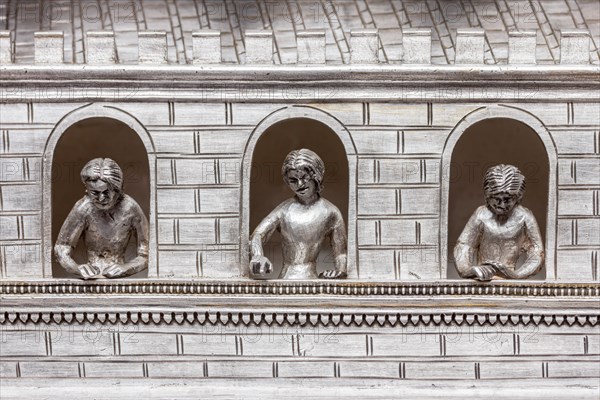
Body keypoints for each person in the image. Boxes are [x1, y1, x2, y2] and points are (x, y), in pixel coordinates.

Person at [250, 149, 347, 279]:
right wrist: (257, 256)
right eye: (293, 180)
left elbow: (341, 253)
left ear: (316, 176)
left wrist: (340, 272)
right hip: (285, 280)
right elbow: (258, 234)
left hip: (312, 281)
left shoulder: (330, 212)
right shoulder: (284, 210)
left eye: (304, 177)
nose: (299, 184)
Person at [55, 158, 149, 279]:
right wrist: (76, 268)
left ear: (118, 189)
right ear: (86, 190)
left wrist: (127, 268)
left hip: (119, 277)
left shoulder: (130, 208)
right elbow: (62, 246)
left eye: (106, 192)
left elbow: (146, 253)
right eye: (94, 192)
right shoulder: (84, 208)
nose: (101, 198)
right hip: (91, 278)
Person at [454, 164, 544, 281]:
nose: (502, 205)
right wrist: (469, 270)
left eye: (508, 199)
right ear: (487, 196)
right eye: (496, 198)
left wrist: (516, 274)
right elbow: (464, 246)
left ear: (518, 197)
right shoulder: (481, 214)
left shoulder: (525, 216)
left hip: (510, 283)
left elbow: (537, 253)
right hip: (482, 281)